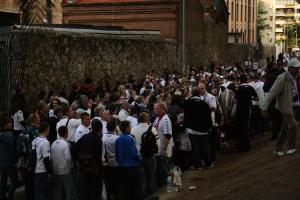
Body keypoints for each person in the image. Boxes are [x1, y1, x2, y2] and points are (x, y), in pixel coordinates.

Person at [261, 58, 300, 156]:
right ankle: (291, 147)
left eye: (298, 68)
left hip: (294, 105)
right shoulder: (282, 78)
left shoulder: (296, 76)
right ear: (290, 68)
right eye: (296, 68)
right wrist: (264, 107)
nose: (297, 70)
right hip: (285, 106)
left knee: (286, 128)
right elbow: (271, 93)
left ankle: (278, 148)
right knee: (293, 126)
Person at [183, 86, 213, 169]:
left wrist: (187, 124)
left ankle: (198, 165)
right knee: (205, 147)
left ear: (192, 93)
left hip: (192, 129)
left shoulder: (188, 102)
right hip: (204, 129)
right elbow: (208, 116)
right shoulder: (204, 103)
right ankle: (209, 163)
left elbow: (186, 115)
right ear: (199, 93)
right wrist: (210, 127)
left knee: (195, 148)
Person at [131, 112, 160, 198]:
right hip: (151, 155)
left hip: (139, 156)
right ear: (146, 119)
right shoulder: (152, 129)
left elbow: (132, 143)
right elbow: (158, 142)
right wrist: (156, 152)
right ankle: (153, 195)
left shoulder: (133, 129)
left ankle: (145, 196)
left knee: (143, 177)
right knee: (152, 176)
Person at [75, 119, 103, 200]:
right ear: (100, 129)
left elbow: (74, 149)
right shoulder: (97, 140)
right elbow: (98, 156)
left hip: (84, 168)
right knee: (94, 192)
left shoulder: (85, 136)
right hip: (94, 170)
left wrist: (80, 159)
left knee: (85, 190)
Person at [115, 120, 141, 200]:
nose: (131, 128)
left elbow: (117, 155)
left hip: (122, 167)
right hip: (132, 166)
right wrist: (139, 159)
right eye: (130, 127)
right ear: (126, 128)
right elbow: (134, 153)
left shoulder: (118, 139)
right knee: (134, 188)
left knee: (125, 188)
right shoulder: (130, 139)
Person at [235, 75, 258, 152]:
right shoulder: (250, 88)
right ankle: (246, 144)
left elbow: (235, 100)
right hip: (248, 108)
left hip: (240, 109)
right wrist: (250, 98)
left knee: (241, 127)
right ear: (247, 80)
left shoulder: (239, 89)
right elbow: (257, 98)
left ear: (240, 81)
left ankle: (242, 146)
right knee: (245, 126)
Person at [51, 126, 75, 200]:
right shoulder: (66, 144)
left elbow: (51, 157)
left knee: (58, 192)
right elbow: (68, 158)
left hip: (56, 170)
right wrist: (71, 167)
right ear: (66, 133)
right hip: (65, 171)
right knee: (68, 192)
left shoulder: (53, 143)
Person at [153, 102, 173, 186]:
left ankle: (169, 185)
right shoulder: (158, 118)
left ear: (161, 109)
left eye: (156, 109)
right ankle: (166, 185)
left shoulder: (165, 119)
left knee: (166, 168)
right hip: (160, 147)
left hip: (165, 148)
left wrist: (164, 149)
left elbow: (168, 135)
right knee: (163, 169)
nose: (154, 110)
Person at [32, 122, 52, 200]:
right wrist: (50, 172)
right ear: (46, 129)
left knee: (38, 192)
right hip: (42, 171)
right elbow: (46, 159)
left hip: (35, 170)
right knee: (44, 194)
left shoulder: (35, 140)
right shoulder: (45, 142)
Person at [102, 118, 121, 200]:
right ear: (115, 128)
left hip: (107, 163)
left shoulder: (103, 137)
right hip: (116, 163)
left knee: (108, 182)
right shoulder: (117, 138)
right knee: (117, 183)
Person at [0, 116, 18, 200]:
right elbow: (12, 150)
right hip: (9, 162)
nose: (11, 124)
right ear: (6, 124)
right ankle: (10, 196)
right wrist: (15, 159)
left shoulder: (1, 134)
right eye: (10, 122)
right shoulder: (9, 136)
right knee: (14, 180)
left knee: (3, 180)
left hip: (2, 161)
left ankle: (2, 195)